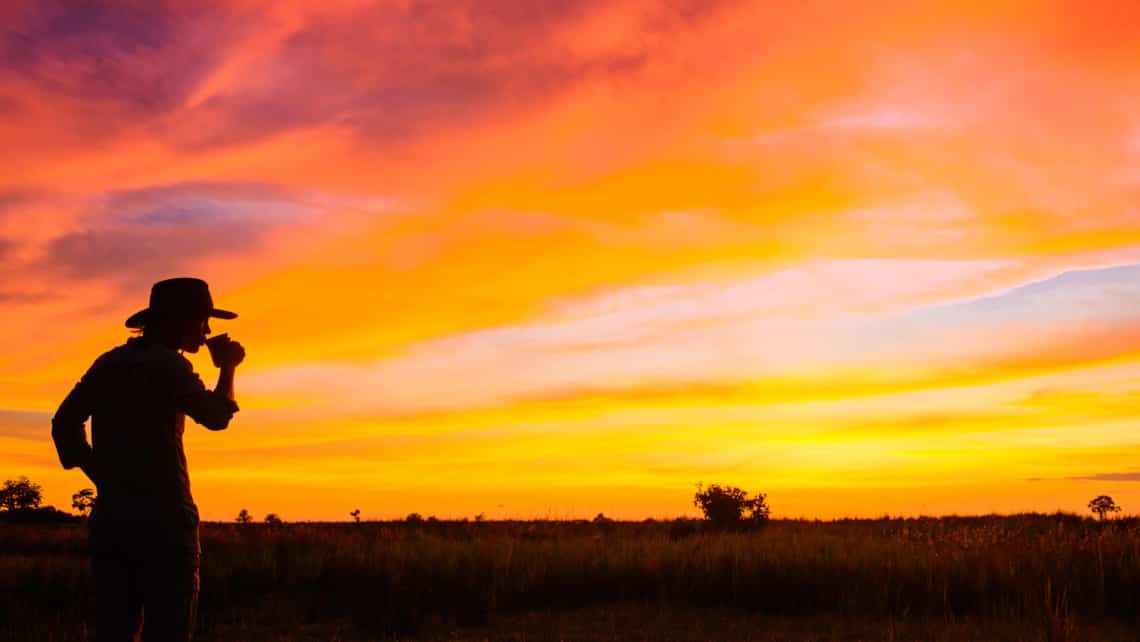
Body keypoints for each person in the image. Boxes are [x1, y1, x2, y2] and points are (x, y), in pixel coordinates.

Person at [52, 277, 246, 642]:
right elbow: (217, 418)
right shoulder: (170, 367)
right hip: (166, 526)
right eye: (203, 322)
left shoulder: (109, 363)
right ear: (181, 321)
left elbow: (64, 422)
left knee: (114, 630)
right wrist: (228, 368)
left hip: (112, 523)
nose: (206, 332)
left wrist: (98, 472)